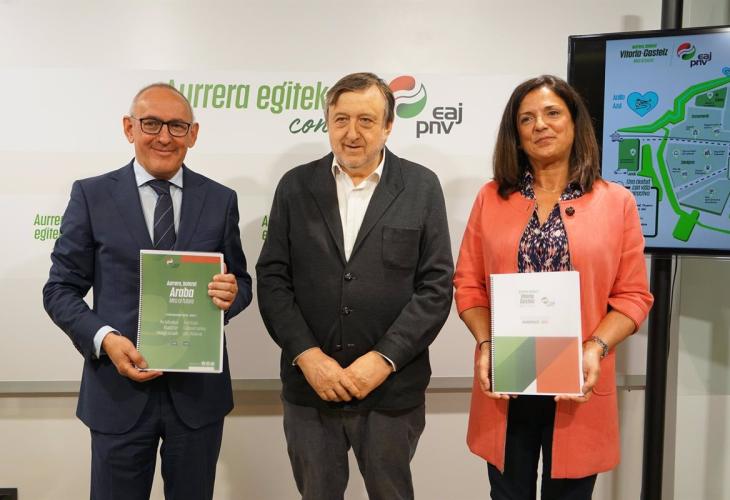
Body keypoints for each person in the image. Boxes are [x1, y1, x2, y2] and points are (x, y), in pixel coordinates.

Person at [43, 83, 252, 500]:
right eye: (151, 123)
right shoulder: (91, 195)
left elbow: (242, 282)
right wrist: (106, 339)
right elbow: (60, 289)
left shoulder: (220, 199)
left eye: (177, 126)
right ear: (129, 128)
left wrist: (230, 296)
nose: (164, 137)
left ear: (193, 134)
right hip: (117, 394)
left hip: (197, 399)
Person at [453, 75, 654, 499]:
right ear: (516, 134)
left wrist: (595, 347)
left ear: (575, 123)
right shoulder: (491, 197)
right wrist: (487, 343)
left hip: (578, 377)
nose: (540, 125)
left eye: (552, 113)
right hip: (508, 373)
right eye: (526, 119)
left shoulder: (616, 202)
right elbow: (468, 285)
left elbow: (634, 296)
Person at [256, 72, 453, 500]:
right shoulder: (295, 186)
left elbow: (436, 287)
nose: (351, 133)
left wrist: (383, 360)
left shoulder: (421, 187)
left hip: (391, 390)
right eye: (341, 119)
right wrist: (308, 357)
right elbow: (272, 280)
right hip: (311, 388)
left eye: (366, 120)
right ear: (328, 122)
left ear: (388, 126)